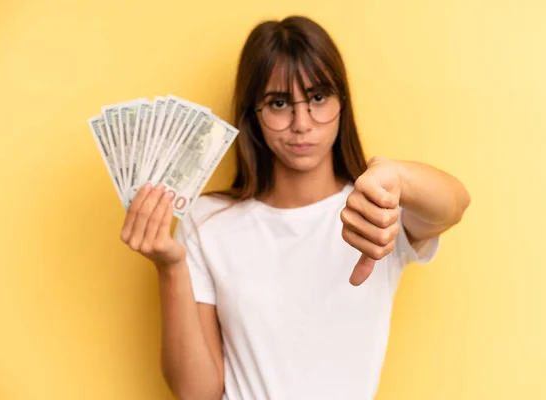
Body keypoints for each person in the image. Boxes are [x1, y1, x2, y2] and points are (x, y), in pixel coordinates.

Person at [120, 15, 470, 400]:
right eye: (279, 103)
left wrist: (395, 175)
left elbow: (453, 205)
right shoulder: (208, 221)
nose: (301, 123)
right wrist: (170, 268)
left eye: (318, 97)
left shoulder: (376, 209)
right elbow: (196, 394)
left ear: (342, 102)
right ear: (252, 113)